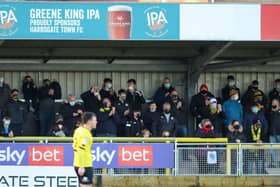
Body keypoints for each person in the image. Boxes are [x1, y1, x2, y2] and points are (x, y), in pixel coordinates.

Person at [73, 112, 97, 187]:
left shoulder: (78, 130)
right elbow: (81, 149)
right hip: (85, 165)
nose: (96, 122)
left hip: (78, 163)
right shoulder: (85, 134)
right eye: (95, 120)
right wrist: (81, 166)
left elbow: (74, 146)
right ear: (89, 121)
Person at [267, 98, 280, 167]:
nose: (273, 104)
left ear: (278, 103)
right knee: (272, 150)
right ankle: (274, 163)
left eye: (275, 102)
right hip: (272, 134)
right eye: (272, 103)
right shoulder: (270, 112)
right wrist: (273, 112)